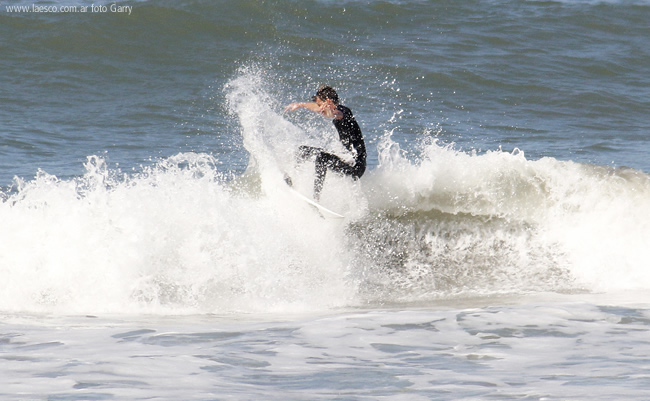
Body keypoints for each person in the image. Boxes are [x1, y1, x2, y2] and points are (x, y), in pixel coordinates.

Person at [284, 85, 366, 201]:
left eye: (319, 104)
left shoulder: (343, 112)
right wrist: (300, 104)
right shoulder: (331, 108)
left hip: (356, 166)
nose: (319, 109)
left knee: (323, 157)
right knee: (303, 150)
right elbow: (317, 108)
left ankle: (316, 198)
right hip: (346, 158)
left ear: (328, 101)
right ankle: (294, 180)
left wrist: (330, 113)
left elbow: (336, 114)